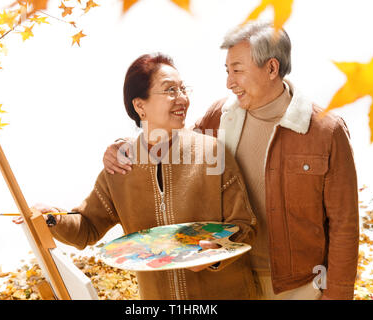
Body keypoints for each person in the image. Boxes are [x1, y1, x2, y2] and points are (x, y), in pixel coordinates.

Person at [103, 22, 359, 300]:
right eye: (227, 71)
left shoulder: (325, 130)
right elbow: (170, 145)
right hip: (234, 281)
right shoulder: (219, 117)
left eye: (237, 70)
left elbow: (344, 223)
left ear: (271, 69)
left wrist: (337, 295)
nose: (229, 82)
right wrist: (122, 147)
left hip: (299, 288)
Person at [14, 53, 258, 300]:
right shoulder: (121, 166)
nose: (182, 98)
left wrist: (217, 253)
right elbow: (86, 228)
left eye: (183, 89)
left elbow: (244, 224)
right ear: (140, 106)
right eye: (170, 90)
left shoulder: (212, 152)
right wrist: (51, 218)